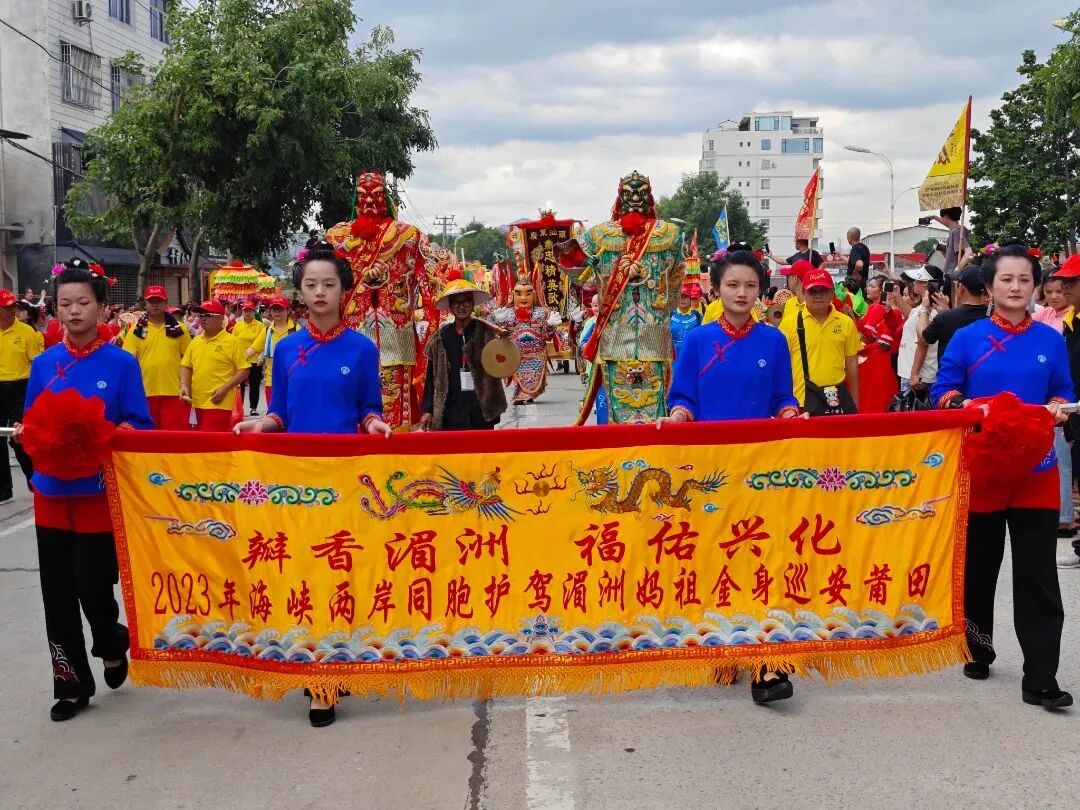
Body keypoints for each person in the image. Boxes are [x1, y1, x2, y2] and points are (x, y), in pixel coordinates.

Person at [236, 243, 390, 726]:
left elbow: (369, 408)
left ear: (344, 291)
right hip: (296, 481)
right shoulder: (285, 349)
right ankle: (316, 665)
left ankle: (331, 667)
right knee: (303, 573)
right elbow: (280, 410)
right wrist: (264, 423)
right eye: (310, 284)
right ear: (299, 292)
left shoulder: (363, 349)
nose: (320, 292)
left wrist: (373, 425)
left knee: (338, 570)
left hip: (344, 479)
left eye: (329, 284)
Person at [931, 242, 1072, 709]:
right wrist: (967, 404)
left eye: (1025, 280)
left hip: (1036, 471)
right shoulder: (968, 339)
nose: (1016, 287)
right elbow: (943, 392)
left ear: (1036, 286)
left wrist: (1059, 411)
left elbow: (1064, 393)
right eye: (1006, 279)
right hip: (983, 469)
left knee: (1037, 573)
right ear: (988, 286)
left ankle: (1041, 677)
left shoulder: (1051, 340)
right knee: (978, 567)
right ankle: (978, 646)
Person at [660, 246, 799, 704]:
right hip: (711, 470)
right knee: (719, 558)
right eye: (733, 285)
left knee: (764, 559)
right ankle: (722, 645)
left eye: (751, 285)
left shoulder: (773, 341)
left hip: (761, 469)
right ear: (715, 290)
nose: (742, 293)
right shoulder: (698, 341)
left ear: (762, 290)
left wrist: (790, 413)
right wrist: (679, 416)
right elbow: (683, 396)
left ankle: (767, 662)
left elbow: (782, 396)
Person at [15, 258, 153, 721]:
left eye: (83, 303)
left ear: (100, 307)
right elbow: (32, 423)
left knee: (94, 587)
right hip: (51, 494)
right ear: (54, 309)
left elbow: (140, 423)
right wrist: (29, 445)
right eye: (64, 304)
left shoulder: (121, 363)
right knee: (57, 592)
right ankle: (71, 684)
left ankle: (112, 643)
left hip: (98, 492)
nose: (73, 312)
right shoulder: (43, 364)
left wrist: (120, 433)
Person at [420, 272, 508, 431]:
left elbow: (502, 359)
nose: (461, 307)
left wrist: (504, 341)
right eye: (456, 303)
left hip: (481, 406)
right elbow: (431, 376)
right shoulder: (440, 337)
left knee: (482, 453)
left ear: (473, 303)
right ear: (450, 307)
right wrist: (427, 410)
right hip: (451, 409)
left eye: (466, 302)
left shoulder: (485, 332)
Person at [780, 268, 861, 414]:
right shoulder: (789, 323)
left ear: (832, 293)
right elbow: (780, 367)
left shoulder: (846, 323)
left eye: (823, 290)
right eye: (813, 291)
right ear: (804, 293)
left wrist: (855, 401)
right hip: (801, 403)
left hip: (837, 401)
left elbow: (851, 364)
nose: (818, 296)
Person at [122, 285, 192, 430]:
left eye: (158, 300)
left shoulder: (180, 329)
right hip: (145, 394)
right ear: (145, 304)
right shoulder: (135, 330)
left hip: (175, 393)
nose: (155, 304)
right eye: (151, 301)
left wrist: (187, 386)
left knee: (174, 441)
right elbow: (127, 363)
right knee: (148, 441)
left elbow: (189, 360)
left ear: (166, 303)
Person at [910, 264, 988, 392]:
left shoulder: (946, 318)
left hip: (951, 387)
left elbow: (922, 339)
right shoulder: (994, 316)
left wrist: (925, 309)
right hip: (984, 384)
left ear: (960, 287)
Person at [179, 300, 250, 432]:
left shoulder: (233, 342)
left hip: (218, 402)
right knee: (199, 444)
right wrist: (183, 386)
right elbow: (186, 365)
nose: (203, 319)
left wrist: (225, 389)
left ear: (220, 319)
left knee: (211, 443)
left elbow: (244, 370)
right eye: (201, 315)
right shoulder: (196, 341)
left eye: (208, 315)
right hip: (196, 402)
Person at [0, 288, 42, 504]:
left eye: (12, 307)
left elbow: (37, 365)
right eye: (5, 308)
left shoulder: (27, 333)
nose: (10, 311)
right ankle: (3, 490)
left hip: (20, 387)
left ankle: (34, 477)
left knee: (18, 438)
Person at [857, 276, 902, 413]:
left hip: (880, 364)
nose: (869, 288)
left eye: (873, 286)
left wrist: (861, 347)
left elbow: (884, 343)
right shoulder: (874, 308)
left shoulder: (889, 311)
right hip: (873, 363)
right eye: (868, 285)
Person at [246, 297, 298, 407]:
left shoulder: (297, 329)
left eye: (280, 309)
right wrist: (232, 360)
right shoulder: (267, 330)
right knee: (274, 416)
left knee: (292, 416)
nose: (277, 312)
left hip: (293, 381)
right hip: (271, 381)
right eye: (274, 310)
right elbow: (252, 349)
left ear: (287, 310)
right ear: (270, 312)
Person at [896, 267, 938, 394]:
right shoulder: (922, 307)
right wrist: (896, 295)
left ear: (925, 283)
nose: (913, 282)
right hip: (911, 373)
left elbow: (923, 341)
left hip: (919, 377)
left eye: (916, 280)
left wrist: (914, 373)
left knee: (915, 413)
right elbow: (910, 315)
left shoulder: (930, 310)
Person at [231, 301, 267, 416]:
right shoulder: (238, 325)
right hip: (241, 360)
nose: (247, 313)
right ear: (242, 311)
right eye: (245, 310)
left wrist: (261, 358)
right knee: (239, 385)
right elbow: (233, 342)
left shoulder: (260, 326)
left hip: (255, 360)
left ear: (253, 311)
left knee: (254, 384)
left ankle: (253, 408)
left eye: (250, 310)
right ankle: (239, 407)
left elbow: (262, 344)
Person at [928, 207, 973, 277]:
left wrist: (956, 271)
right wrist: (934, 217)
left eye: (942, 217)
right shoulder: (958, 229)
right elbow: (947, 224)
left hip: (953, 275)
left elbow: (969, 254)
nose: (941, 220)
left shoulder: (957, 232)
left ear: (946, 216)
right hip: (952, 273)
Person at [669, 284, 703, 357]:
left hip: (691, 354)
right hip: (673, 356)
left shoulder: (697, 316)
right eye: (680, 297)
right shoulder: (670, 315)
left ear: (690, 299)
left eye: (685, 297)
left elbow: (702, 336)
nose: (682, 300)